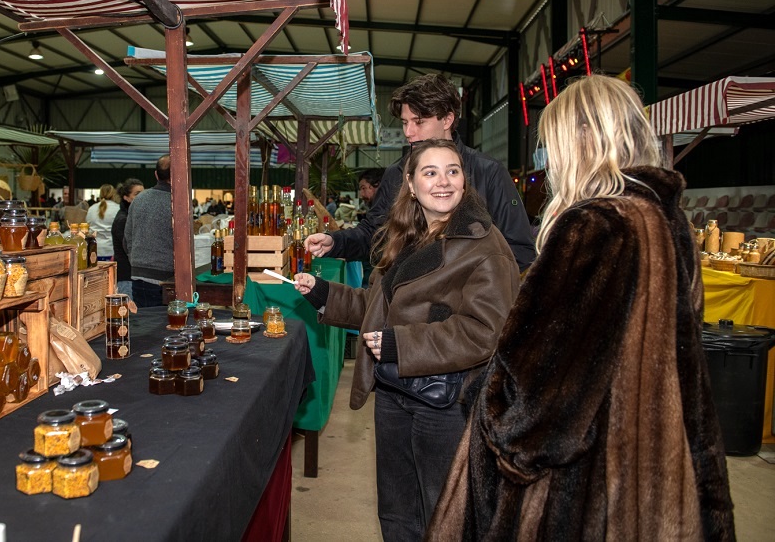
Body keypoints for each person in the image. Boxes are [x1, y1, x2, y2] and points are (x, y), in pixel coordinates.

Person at [428, 75, 735, 541]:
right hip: (654, 466)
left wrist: (491, 412)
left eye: (552, 144)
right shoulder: (671, 223)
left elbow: (541, 388)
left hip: (578, 485)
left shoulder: (594, 225)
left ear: (584, 139)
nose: (548, 161)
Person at [295, 139, 520, 542]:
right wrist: (325, 294)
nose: (443, 182)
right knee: (397, 512)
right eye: (430, 173)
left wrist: (404, 344)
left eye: (452, 171)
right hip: (394, 394)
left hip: (445, 403)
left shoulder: (486, 246)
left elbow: (486, 331)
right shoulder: (406, 236)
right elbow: (380, 306)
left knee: (443, 515)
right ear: (411, 186)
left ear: (465, 181)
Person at [305, 74, 535, 272]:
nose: (408, 132)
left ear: (447, 119)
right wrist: (335, 242)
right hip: (408, 306)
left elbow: (520, 250)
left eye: (419, 122)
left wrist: (470, 284)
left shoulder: (489, 172)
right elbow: (374, 234)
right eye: (405, 122)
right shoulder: (397, 173)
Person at [124, 156, 173, 307]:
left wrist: (138, 260)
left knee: (145, 325)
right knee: (170, 326)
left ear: (156, 175)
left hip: (140, 275)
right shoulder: (178, 201)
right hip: (167, 278)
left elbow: (127, 239)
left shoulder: (139, 199)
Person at [112, 178, 145, 298]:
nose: (141, 197)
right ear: (126, 197)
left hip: (134, 274)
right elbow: (130, 248)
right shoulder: (123, 219)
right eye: (137, 194)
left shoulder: (131, 216)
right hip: (126, 276)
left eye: (143, 193)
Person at [85, 184, 121, 261]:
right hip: (111, 251)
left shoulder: (91, 209)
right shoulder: (118, 209)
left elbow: (87, 227)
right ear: (113, 194)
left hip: (94, 250)